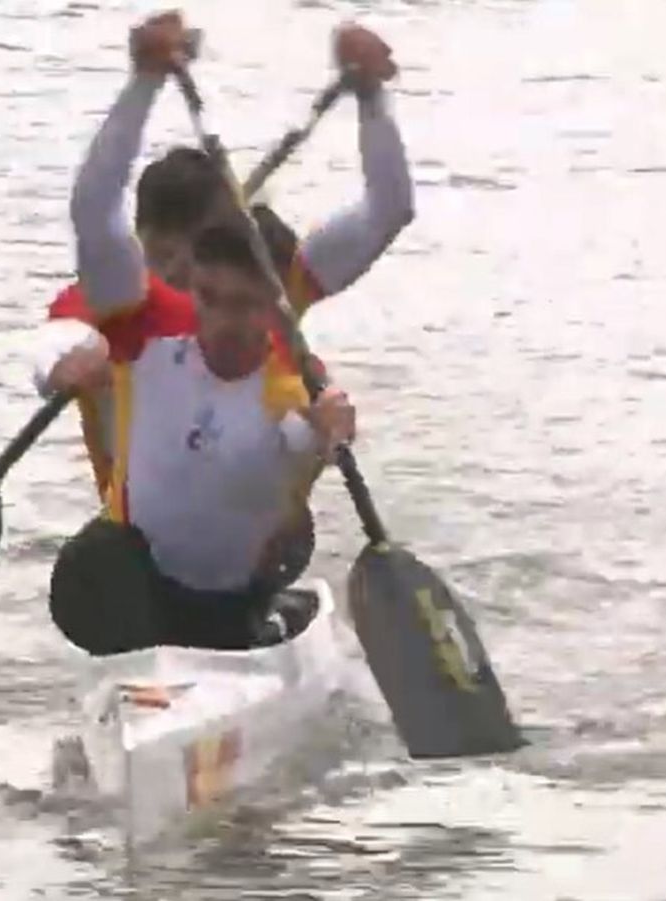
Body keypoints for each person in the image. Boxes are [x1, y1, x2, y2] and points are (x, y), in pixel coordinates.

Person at [29, 11, 414, 656]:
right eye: (191, 281)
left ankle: (260, 620)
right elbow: (90, 218)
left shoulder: (276, 280)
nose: (206, 301)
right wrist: (144, 80)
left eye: (240, 299)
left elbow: (389, 210)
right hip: (141, 556)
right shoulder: (136, 312)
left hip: (263, 546)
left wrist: (372, 96)